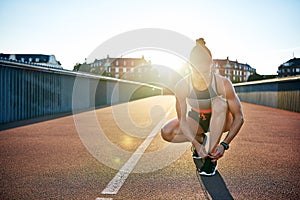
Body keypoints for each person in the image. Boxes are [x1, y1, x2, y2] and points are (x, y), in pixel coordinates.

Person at [161, 38, 244, 176]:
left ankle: (211, 158)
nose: (202, 77)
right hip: (198, 119)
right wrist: (196, 144)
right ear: (190, 66)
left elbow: (239, 117)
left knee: (219, 104)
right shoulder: (182, 85)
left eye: (205, 72)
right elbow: (182, 120)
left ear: (211, 65)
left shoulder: (223, 83)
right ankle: (200, 139)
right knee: (167, 132)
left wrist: (224, 145)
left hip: (222, 120)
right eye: (197, 72)